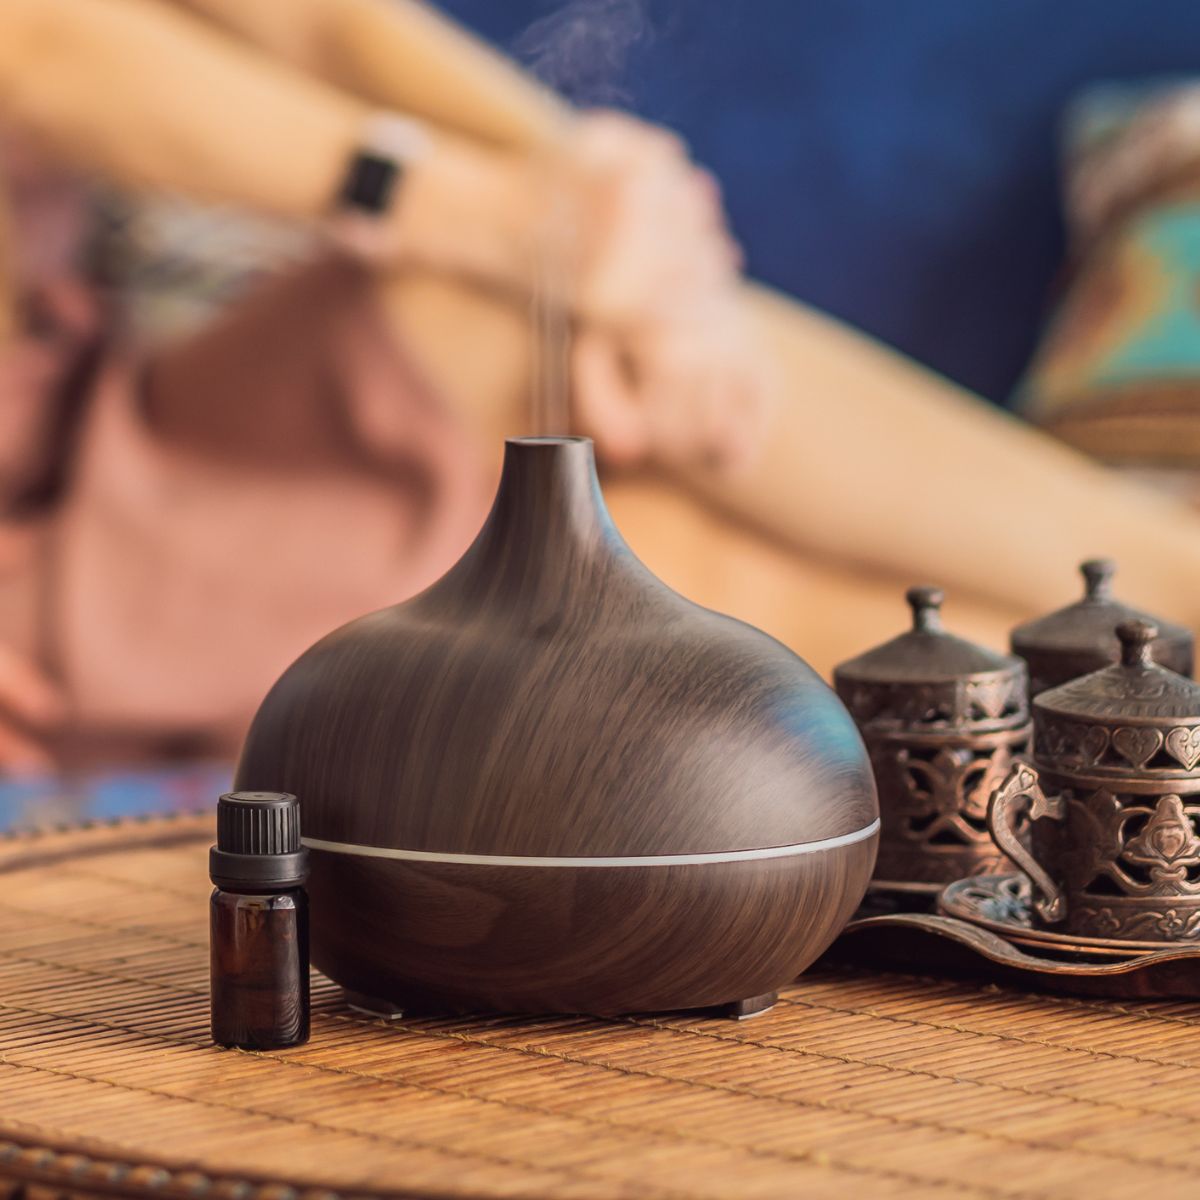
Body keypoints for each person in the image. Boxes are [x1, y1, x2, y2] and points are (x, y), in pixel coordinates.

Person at [3, 0, 1200, 772]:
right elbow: (41, 46)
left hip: (105, 419)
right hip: (33, 571)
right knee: (634, 546)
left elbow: (316, 19)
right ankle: (1153, 670)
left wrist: (602, 223)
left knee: (526, 349)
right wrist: (484, 218)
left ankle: (1165, 641)